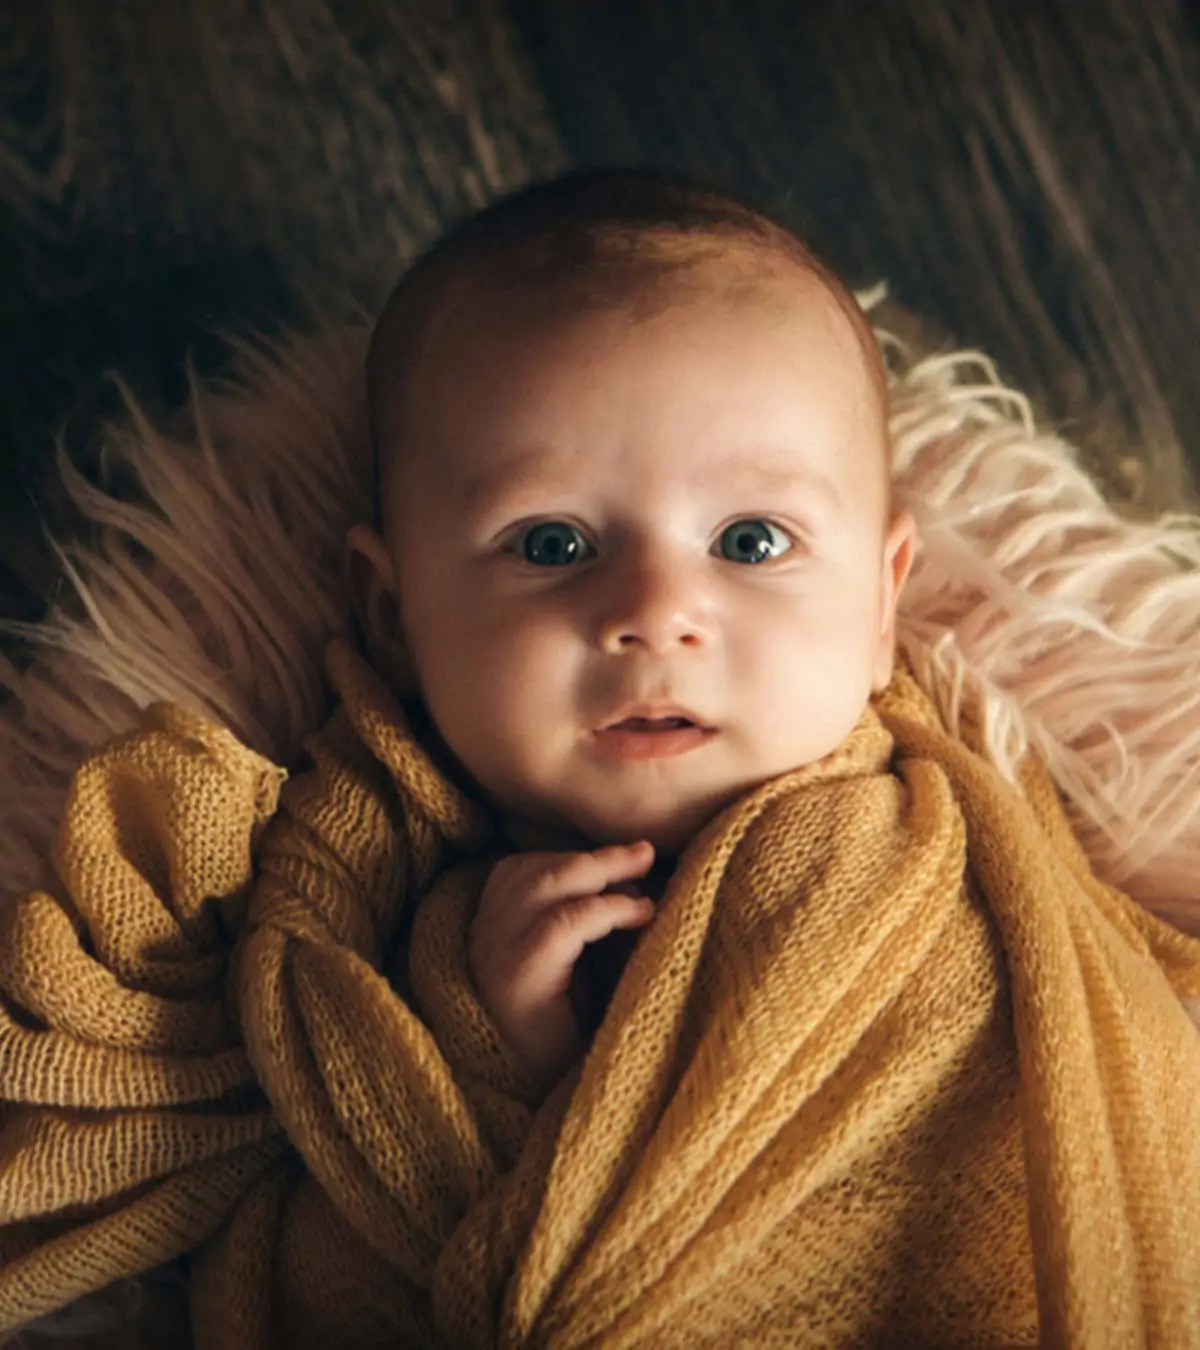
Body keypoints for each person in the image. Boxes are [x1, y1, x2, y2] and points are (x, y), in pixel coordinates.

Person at [344, 168, 917, 1095]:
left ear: (881, 609)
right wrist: (518, 1054)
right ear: (393, 615)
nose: (655, 614)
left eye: (751, 540)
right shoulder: (373, 927)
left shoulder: (933, 853)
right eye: (553, 542)